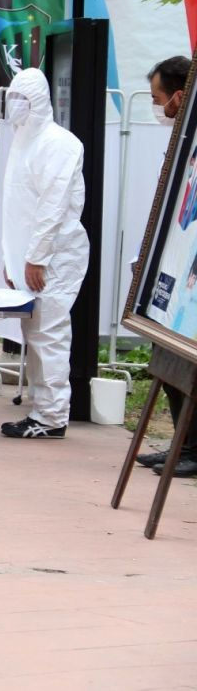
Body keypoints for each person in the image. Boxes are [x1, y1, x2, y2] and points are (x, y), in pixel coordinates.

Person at [0, 67, 89, 439]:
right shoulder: (22, 141)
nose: (16, 107)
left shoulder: (60, 143)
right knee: (34, 335)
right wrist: (12, 258)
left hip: (55, 258)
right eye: (12, 99)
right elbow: (17, 206)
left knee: (49, 336)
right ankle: (41, 412)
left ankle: (52, 418)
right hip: (30, 261)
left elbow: (52, 206)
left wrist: (36, 256)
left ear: (39, 103)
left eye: (23, 100)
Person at [138, 56, 197, 475]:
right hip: (172, 270)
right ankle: (180, 443)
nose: (161, 109)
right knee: (165, 353)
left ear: (180, 94)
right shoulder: (181, 138)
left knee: (186, 359)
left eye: (161, 99)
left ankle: (192, 449)